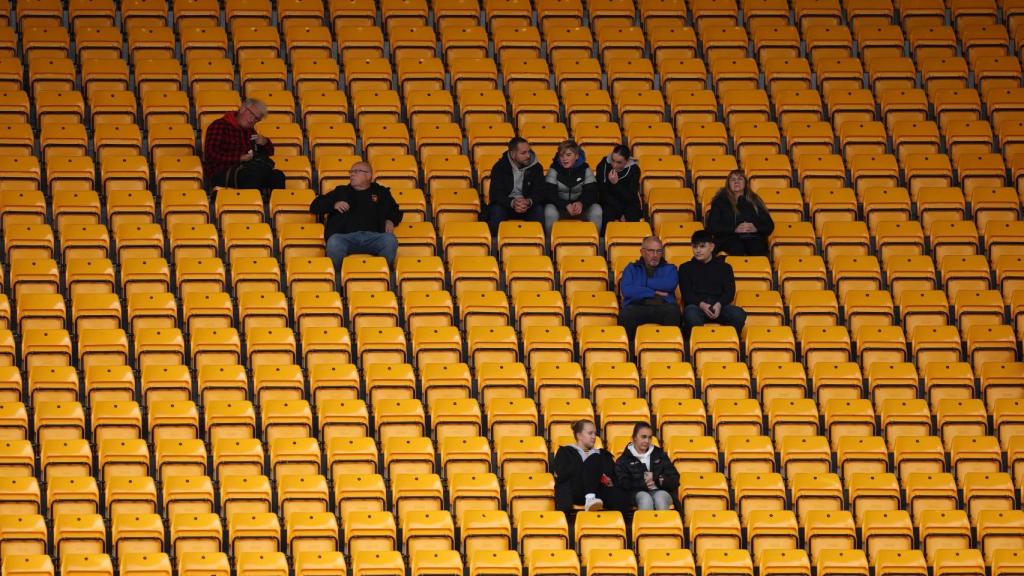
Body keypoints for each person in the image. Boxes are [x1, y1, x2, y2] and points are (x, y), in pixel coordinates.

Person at [308, 161, 402, 270]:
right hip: (345, 238)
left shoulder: (381, 192)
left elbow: (395, 210)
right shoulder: (341, 191)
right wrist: (333, 204)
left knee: (390, 240)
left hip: (374, 237)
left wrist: (390, 220)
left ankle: (382, 272)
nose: (352, 174)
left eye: (356, 171)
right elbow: (314, 206)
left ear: (368, 175)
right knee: (334, 242)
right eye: (351, 172)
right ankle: (338, 275)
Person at [202, 99, 285, 198]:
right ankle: (250, 203)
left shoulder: (250, 131)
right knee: (253, 173)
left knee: (277, 175)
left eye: (256, 119)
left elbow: (270, 152)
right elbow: (211, 154)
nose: (252, 120)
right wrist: (240, 158)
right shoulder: (219, 125)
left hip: (247, 171)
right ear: (242, 109)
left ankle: (274, 205)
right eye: (251, 114)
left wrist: (265, 142)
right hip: (222, 173)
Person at [678, 230, 746, 336]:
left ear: (712, 247)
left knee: (738, 314)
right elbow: (687, 294)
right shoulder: (685, 268)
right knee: (690, 313)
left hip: (719, 307)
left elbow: (729, 293)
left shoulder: (725, 267)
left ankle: (728, 341)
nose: (698, 250)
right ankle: (700, 342)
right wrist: (702, 305)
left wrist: (719, 304)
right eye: (695, 247)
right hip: (697, 307)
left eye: (702, 246)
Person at [553, 419, 628, 514]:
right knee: (594, 458)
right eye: (590, 433)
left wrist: (609, 480)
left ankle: (621, 521)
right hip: (577, 491)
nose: (594, 436)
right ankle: (590, 497)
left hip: (599, 492)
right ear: (579, 435)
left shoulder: (603, 454)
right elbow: (562, 475)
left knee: (620, 497)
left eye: (595, 433)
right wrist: (588, 470)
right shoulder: (566, 452)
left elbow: (613, 476)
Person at [618, 236, 681, 342]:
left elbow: (669, 285)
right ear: (642, 252)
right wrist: (653, 292)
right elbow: (627, 290)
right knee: (625, 314)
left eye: (659, 251)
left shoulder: (670, 268)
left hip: (663, 306)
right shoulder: (631, 268)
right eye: (651, 251)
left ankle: (669, 347)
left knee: (674, 311)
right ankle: (631, 348)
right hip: (637, 306)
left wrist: (643, 284)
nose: (655, 255)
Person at [705, 170, 774, 256]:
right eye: (733, 179)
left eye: (740, 179)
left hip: (752, 237)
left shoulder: (755, 200)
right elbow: (713, 227)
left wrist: (755, 228)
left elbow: (769, 226)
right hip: (728, 238)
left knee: (756, 247)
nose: (736, 182)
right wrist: (734, 229)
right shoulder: (719, 201)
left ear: (745, 183)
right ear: (728, 184)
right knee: (737, 247)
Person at [486, 137, 546, 235]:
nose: (528, 156)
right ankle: (496, 242)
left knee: (538, 211)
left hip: (527, 205)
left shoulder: (537, 167)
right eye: (523, 153)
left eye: (529, 151)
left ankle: (537, 242)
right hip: (507, 205)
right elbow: (496, 194)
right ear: (513, 154)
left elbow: (540, 192)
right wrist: (513, 202)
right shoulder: (499, 167)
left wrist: (529, 201)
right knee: (496, 211)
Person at [543, 140, 602, 236]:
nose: (564, 159)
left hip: (580, 209)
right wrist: (565, 205)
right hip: (561, 209)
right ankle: (550, 242)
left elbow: (592, 193)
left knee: (597, 210)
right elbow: (549, 194)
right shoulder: (554, 169)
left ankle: (595, 241)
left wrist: (581, 203)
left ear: (576, 156)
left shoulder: (585, 169)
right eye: (561, 156)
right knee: (549, 210)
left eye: (568, 155)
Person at [615, 423, 679, 511]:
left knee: (660, 498)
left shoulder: (660, 454)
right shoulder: (623, 460)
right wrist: (643, 483)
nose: (647, 441)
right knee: (645, 498)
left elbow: (675, 479)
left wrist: (658, 479)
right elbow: (622, 483)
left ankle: (663, 521)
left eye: (649, 437)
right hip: (636, 493)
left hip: (661, 491)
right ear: (634, 438)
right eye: (643, 437)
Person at [595, 145, 641, 230]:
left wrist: (616, 184)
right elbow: (603, 193)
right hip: (608, 202)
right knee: (607, 213)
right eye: (613, 160)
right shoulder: (603, 165)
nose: (614, 165)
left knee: (632, 214)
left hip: (627, 203)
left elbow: (631, 196)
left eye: (619, 162)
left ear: (627, 161)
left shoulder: (634, 169)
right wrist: (620, 213)